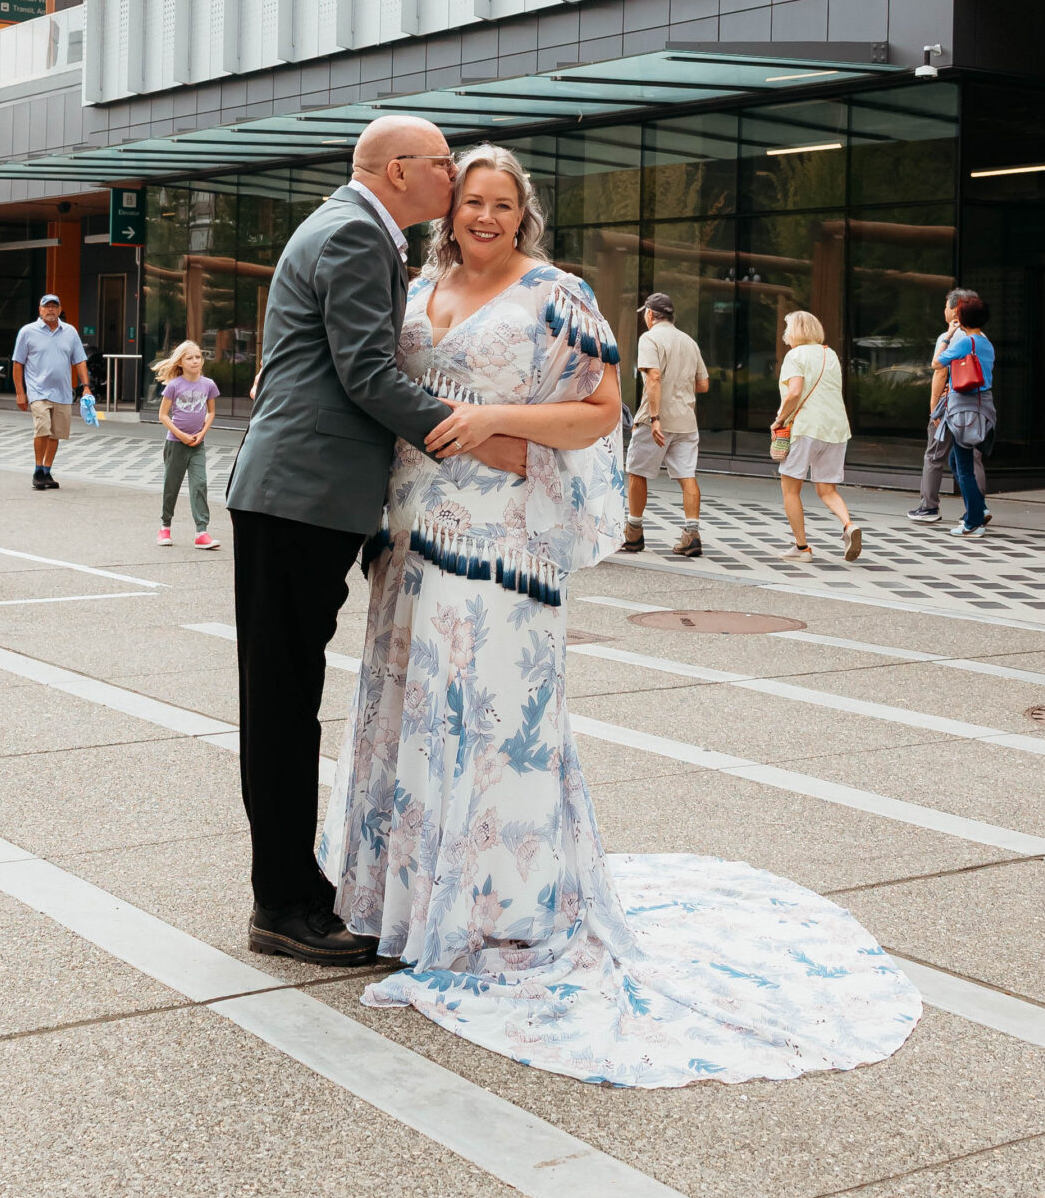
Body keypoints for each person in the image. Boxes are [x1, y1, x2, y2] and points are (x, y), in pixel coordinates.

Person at [323, 145, 921, 1087]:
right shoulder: (413, 291)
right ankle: (410, 910)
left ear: (525, 215)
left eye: (503, 204)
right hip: (411, 537)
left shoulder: (554, 294)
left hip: (505, 544)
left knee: (495, 723)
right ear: (449, 209)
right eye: (472, 201)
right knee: (416, 714)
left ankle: (499, 917)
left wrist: (493, 424)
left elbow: (602, 412)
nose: (486, 217)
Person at [223, 114, 515, 965]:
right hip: (297, 500)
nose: (453, 177)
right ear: (397, 171)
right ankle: (282, 906)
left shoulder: (352, 228)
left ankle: (293, 889)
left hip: (307, 498)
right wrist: (472, 434)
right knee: (280, 706)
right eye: (441, 164)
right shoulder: (353, 233)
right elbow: (366, 373)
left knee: (285, 699)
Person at [618, 292, 710, 558]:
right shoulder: (689, 342)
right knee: (687, 476)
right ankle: (691, 535)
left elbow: (653, 378)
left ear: (649, 314)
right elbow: (703, 384)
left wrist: (655, 418)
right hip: (686, 421)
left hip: (654, 419)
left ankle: (633, 534)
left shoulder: (650, 338)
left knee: (637, 471)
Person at [770, 309, 861, 559]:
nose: (785, 334)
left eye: (787, 328)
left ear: (796, 331)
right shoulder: (829, 353)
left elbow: (795, 392)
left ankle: (802, 548)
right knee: (827, 490)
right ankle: (848, 525)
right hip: (836, 428)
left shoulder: (795, 355)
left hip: (805, 428)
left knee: (790, 490)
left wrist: (779, 420)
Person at [909, 288, 985, 524]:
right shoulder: (982, 338)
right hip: (976, 404)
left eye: (946, 306)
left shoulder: (950, 337)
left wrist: (934, 407)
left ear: (955, 309)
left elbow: (939, 371)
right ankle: (978, 508)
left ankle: (929, 507)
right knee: (973, 457)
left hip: (950, 402)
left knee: (934, 455)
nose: (944, 310)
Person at [11, 293, 89, 489]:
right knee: (43, 428)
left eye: (54, 306)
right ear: (40, 310)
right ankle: (37, 470)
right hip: (38, 391)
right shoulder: (28, 332)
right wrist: (21, 393)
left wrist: (86, 387)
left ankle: (46, 471)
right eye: (47, 307)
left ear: (60, 310)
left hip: (63, 392)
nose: (51, 310)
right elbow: (18, 363)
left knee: (56, 433)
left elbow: (80, 360)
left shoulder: (70, 332)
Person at [940, 293, 996, 540]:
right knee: (957, 461)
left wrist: (949, 336)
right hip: (982, 406)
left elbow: (936, 362)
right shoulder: (986, 342)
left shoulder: (964, 342)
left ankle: (973, 521)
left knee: (963, 466)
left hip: (964, 408)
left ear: (961, 318)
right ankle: (978, 509)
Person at [154, 339, 218, 548]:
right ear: (180, 362)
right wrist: (180, 435)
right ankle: (165, 527)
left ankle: (202, 532)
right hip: (176, 444)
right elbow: (163, 415)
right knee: (171, 486)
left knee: (200, 484)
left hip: (197, 444)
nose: (195, 361)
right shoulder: (174, 385)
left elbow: (211, 412)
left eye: (198, 357)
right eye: (189, 358)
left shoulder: (208, 384)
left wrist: (202, 433)